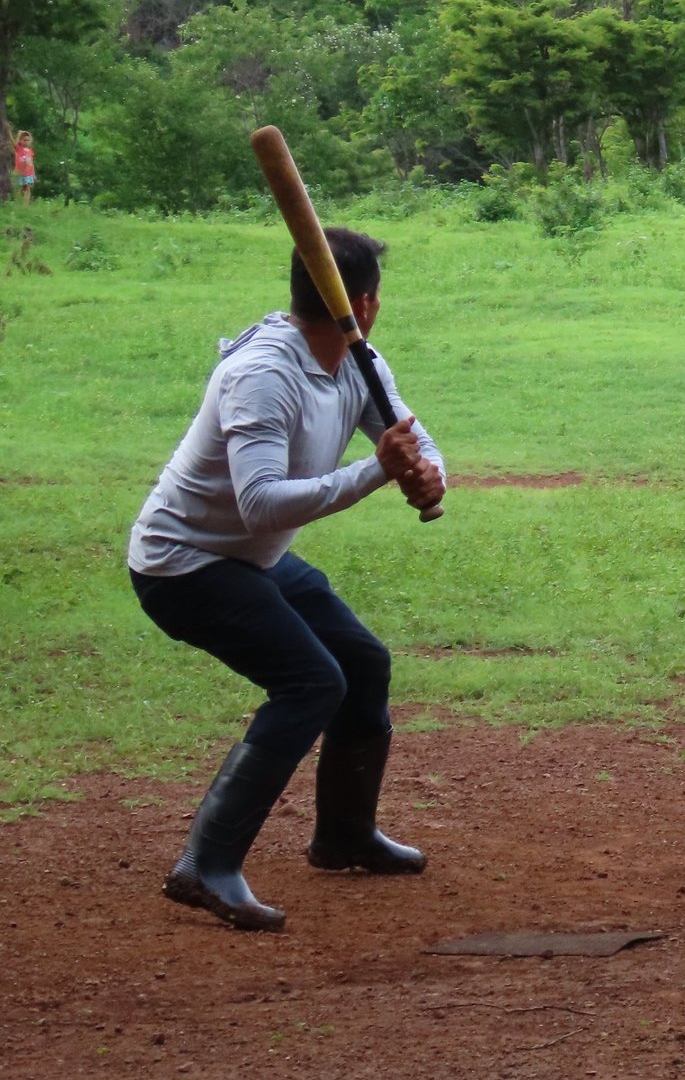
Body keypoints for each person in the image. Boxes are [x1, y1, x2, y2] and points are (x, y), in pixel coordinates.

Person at [128, 228, 447, 931]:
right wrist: (376, 471)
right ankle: (204, 865)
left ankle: (343, 835)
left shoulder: (356, 362)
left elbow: (413, 439)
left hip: (254, 559)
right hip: (183, 564)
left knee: (361, 663)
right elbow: (260, 501)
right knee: (311, 681)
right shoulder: (264, 373)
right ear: (366, 304)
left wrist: (426, 477)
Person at [11, 129, 34, 205]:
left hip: (28, 173)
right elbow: (12, 142)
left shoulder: (30, 151)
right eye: (24, 140)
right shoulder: (18, 148)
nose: (26, 142)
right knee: (21, 188)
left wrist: (33, 174)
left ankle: (26, 204)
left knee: (28, 188)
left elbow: (31, 163)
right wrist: (8, 132)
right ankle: (18, 202)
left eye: (28, 140)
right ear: (20, 140)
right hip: (20, 172)